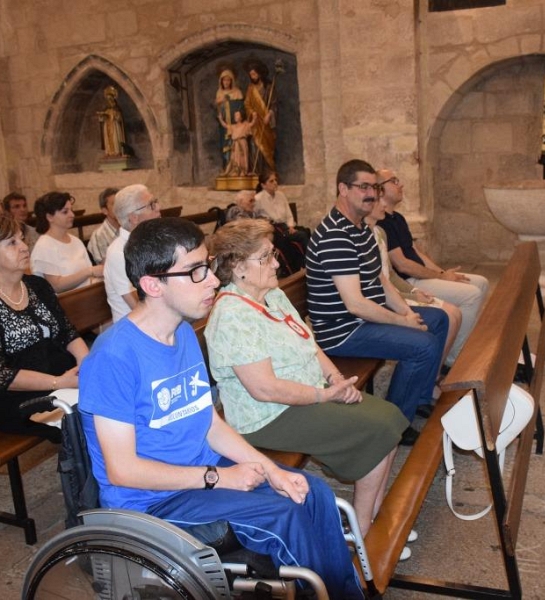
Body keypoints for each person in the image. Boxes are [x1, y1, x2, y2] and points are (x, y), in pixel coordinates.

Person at [79, 217, 365, 600]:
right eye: (196, 271)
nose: (213, 280)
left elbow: (209, 423)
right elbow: (123, 470)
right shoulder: (114, 357)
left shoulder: (180, 331)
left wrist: (267, 469)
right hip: (152, 501)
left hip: (200, 470)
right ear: (153, 285)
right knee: (284, 516)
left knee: (309, 491)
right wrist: (218, 477)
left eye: (207, 266)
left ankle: (347, 593)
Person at [206, 219, 407, 536]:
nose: (276, 262)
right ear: (238, 267)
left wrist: (335, 378)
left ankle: (374, 515)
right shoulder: (232, 314)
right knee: (377, 432)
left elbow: (308, 341)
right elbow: (264, 389)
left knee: (391, 417)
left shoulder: (272, 295)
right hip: (267, 416)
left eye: (272, 253)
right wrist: (326, 395)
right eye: (265, 257)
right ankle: (364, 531)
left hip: (306, 394)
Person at [306, 159, 449, 441]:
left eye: (373, 187)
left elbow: (381, 280)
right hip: (342, 331)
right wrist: (403, 322)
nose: (371, 193)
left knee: (439, 319)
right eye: (363, 187)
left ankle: (417, 398)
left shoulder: (361, 228)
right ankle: (394, 424)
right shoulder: (336, 234)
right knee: (423, 345)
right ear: (343, 189)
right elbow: (355, 304)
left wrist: (407, 312)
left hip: (361, 320)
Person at [376, 168, 489, 365]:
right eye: (394, 181)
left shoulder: (398, 218)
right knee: (472, 295)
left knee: (481, 282)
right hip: (411, 281)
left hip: (422, 276)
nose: (400, 184)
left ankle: (460, 345)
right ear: (380, 190)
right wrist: (440, 277)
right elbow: (403, 265)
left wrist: (442, 273)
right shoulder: (382, 223)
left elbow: (415, 252)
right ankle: (454, 357)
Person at [0, 215, 88, 443]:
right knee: (88, 417)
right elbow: (3, 375)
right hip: (17, 396)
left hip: (61, 376)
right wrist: (59, 383)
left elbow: (68, 332)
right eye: (12, 243)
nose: (23, 247)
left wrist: (86, 364)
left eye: (21, 239)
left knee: (114, 396)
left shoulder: (37, 286)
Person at [364, 190, 461, 370]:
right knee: (449, 315)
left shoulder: (380, 233)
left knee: (453, 314)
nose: (384, 205)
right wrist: (414, 298)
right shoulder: (362, 238)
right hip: (385, 301)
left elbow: (390, 275)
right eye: (378, 201)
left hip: (395, 294)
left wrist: (415, 291)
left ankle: (434, 372)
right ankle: (431, 374)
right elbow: (378, 285)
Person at [104, 184, 161, 323]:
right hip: (137, 329)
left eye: (155, 202)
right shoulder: (118, 253)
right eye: (151, 205)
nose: (158, 208)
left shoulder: (151, 241)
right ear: (134, 218)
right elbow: (138, 304)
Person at [30, 192, 103, 293]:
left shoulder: (76, 241)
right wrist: (89, 272)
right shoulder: (44, 246)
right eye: (65, 212)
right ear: (49, 217)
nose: (72, 215)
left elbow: (89, 280)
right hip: (64, 303)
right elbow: (56, 286)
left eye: (71, 210)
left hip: (86, 297)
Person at [255, 170, 309, 274]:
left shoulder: (281, 195)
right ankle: (299, 266)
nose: (275, 183)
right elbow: (256, 218)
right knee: (300, 236)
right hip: (272, 228)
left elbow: (289, 214)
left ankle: (304, 263)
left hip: (285, 226)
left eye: (276, 180)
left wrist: (291, 226)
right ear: (263, 185)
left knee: (306, 231)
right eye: (271, 181)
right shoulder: (258, 199)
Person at [244, 61, 276, 172]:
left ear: (260, 74)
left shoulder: (269, 87)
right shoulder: (250, 89)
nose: (252, 77)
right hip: (255, 122)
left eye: (254, 74)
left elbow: (274, 103)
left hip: (266, 122)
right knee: (254, 146)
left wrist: (270, 114)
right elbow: (247, 103)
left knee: (267, 147)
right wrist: (252, 112)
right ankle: (257, 172)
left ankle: (268, 172)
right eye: (251, 75)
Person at [214, 69, 245, 170]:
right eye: (224, 80)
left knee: (237, 147)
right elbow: (217, 110)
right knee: (225, 147)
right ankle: (227, 167)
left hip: (235, 124)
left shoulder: (237, 92)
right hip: (224, 126)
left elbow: (241, 108)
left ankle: (238, 168)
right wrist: (220, 102)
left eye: (228, 80)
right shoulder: (219, 93)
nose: (226, 82)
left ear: (232, 81)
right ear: (221, 81)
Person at [87, 187, 119, 264]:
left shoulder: (129, 227)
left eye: (120, 203)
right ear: (105, 211)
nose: (119, 207)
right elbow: (106, 267)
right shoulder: (98, 236)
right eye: (114, 204)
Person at [220, 110, 257, 177]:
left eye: (237, 115)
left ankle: (243, 171)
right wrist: (220, 119)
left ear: (241, 117)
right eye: (235, 115)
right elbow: (225, 126)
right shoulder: (233, 127)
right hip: (235, 144)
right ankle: (235, 170)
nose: (235, 117)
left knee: (243, 158)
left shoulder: (245, 125)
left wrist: (254, 117)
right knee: (234, 158)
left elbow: (252, 123)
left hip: (242, 144)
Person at [96, 85, 126, 157]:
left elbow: (120, 119)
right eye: (108, 99)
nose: (109, 101)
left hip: (114, 125)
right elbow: (102, 120)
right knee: (108, 139)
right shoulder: (106, 109)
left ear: (113, 99)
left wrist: (115, 115)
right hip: (107, 126)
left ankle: (117, 152)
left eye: (110, 99)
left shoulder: (117, 108)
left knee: (115, 138)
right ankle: (109, 152)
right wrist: (101, 116)